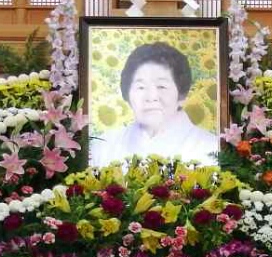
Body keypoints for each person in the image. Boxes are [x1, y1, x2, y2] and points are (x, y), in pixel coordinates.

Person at [90, 41, 218, 165]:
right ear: (127, 94)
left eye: (161, 86)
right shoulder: (102, 147)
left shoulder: (212, 149)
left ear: (181, 95)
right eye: (141, 87)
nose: (151, 97)